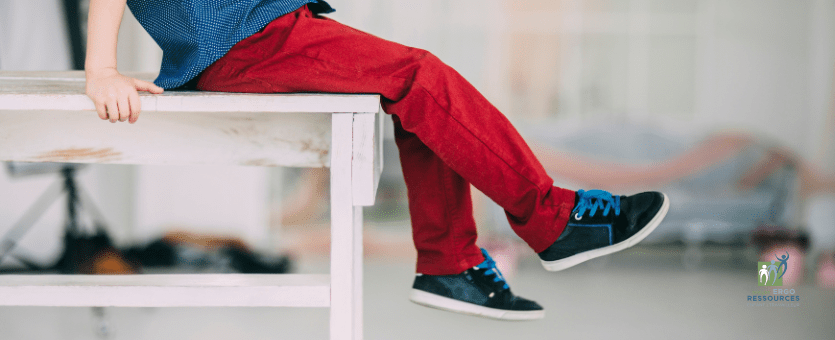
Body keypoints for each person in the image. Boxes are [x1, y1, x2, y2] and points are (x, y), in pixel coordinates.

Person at [83, 0, 669, 320]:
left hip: (268, 28)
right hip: (243, 40)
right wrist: (101, 71)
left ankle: (450, 265)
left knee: (416, 97)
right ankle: (551, 219)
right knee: (421, 76)